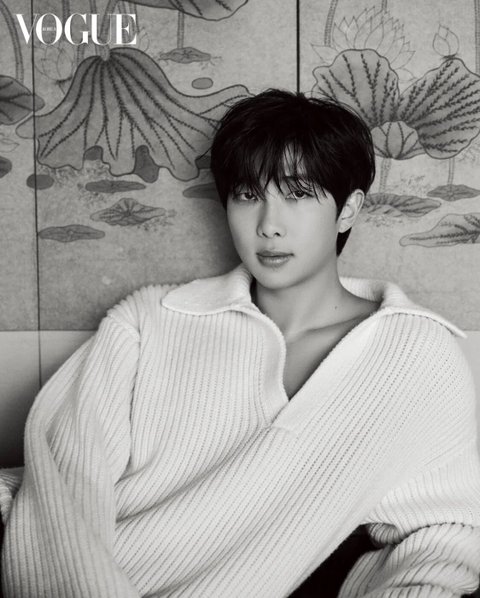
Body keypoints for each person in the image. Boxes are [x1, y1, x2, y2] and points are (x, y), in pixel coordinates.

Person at [1, 89, 480, 598]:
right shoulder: (150, 322)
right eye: (249, 196)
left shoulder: (417, 355)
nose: (269, 226)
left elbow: (448, 530)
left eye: (298, 194)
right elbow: (64, 480)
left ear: (348, 210)